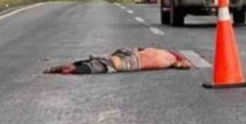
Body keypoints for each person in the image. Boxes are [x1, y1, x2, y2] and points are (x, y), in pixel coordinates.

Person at [44, 47, 191, 74]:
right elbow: (184, 65)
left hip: (131, 53)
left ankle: (67, 67)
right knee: (108, 64)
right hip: (132, 61)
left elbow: (139, 48)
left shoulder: (163, 53)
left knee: (105, 60)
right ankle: (73, 68)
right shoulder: (171, 60)